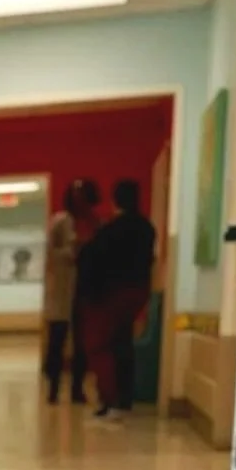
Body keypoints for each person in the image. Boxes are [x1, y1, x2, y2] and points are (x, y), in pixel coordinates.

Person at [77, 178, 156, 419]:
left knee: (101, 347)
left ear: (115, 200)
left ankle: (109, 401)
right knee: (124, 343)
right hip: (138, 292)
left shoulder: (110, 231)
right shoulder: (147, 228)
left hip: (109, 296)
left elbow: (91, 261)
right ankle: (126, 398)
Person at [42, 178, 99, 405]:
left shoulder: (94, 223)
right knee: (57, 342)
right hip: (63, 289)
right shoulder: (59, 222)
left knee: (82, 345)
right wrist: (73, 250)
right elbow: (52, 251)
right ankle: (53, 389)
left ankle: (77, 390)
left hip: (85, 291)